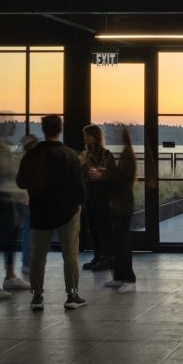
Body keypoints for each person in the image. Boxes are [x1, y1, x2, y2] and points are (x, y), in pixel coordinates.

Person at [16, 115, 87, 310]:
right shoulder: (70, 154)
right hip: (67, 211)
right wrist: (78, 205)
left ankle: (37, 296)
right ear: (60, 129)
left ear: (43, 129)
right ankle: (71, 294)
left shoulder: (32, 155)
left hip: (40, 211)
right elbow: (79, 188)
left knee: (38, 255)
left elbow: (21, 182)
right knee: (70, 254)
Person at [0, 120, 30, 299]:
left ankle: (9, 276)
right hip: (0, 199)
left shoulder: (1, 145)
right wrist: (20, 155)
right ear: (1, 126)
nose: (14, 127)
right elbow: (6, 170)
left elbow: (11, 170)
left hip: (8, 198)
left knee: (10, 238)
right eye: (10, 124)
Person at [80, 124, 117, 272]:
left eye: (87, 135)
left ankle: (108, 258)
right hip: (89, 197)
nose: (85, 138)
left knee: (104, 229)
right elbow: (81, 175)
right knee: (93, 229)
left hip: (103, 198)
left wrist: (102, 175)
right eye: (85, 135)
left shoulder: (106, 155)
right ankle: (98, 256)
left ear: (95, 137)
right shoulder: (85, 155)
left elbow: (114, 175)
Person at [104, 127, 137, 293]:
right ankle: (118, 277)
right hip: (121, 202)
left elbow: (121, 179)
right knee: (118, 241)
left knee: (122, 241)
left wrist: (105, 172)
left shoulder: (126, 155)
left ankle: (128, 278)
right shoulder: (126, 153)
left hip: (122, 203)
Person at [16, 134, 39, 276]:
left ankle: (27, 262)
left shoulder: (21, 157)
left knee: (27, 231)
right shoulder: (29, 159)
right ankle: (27, 263)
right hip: (26, 200)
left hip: (23, 199)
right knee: (29, 232)